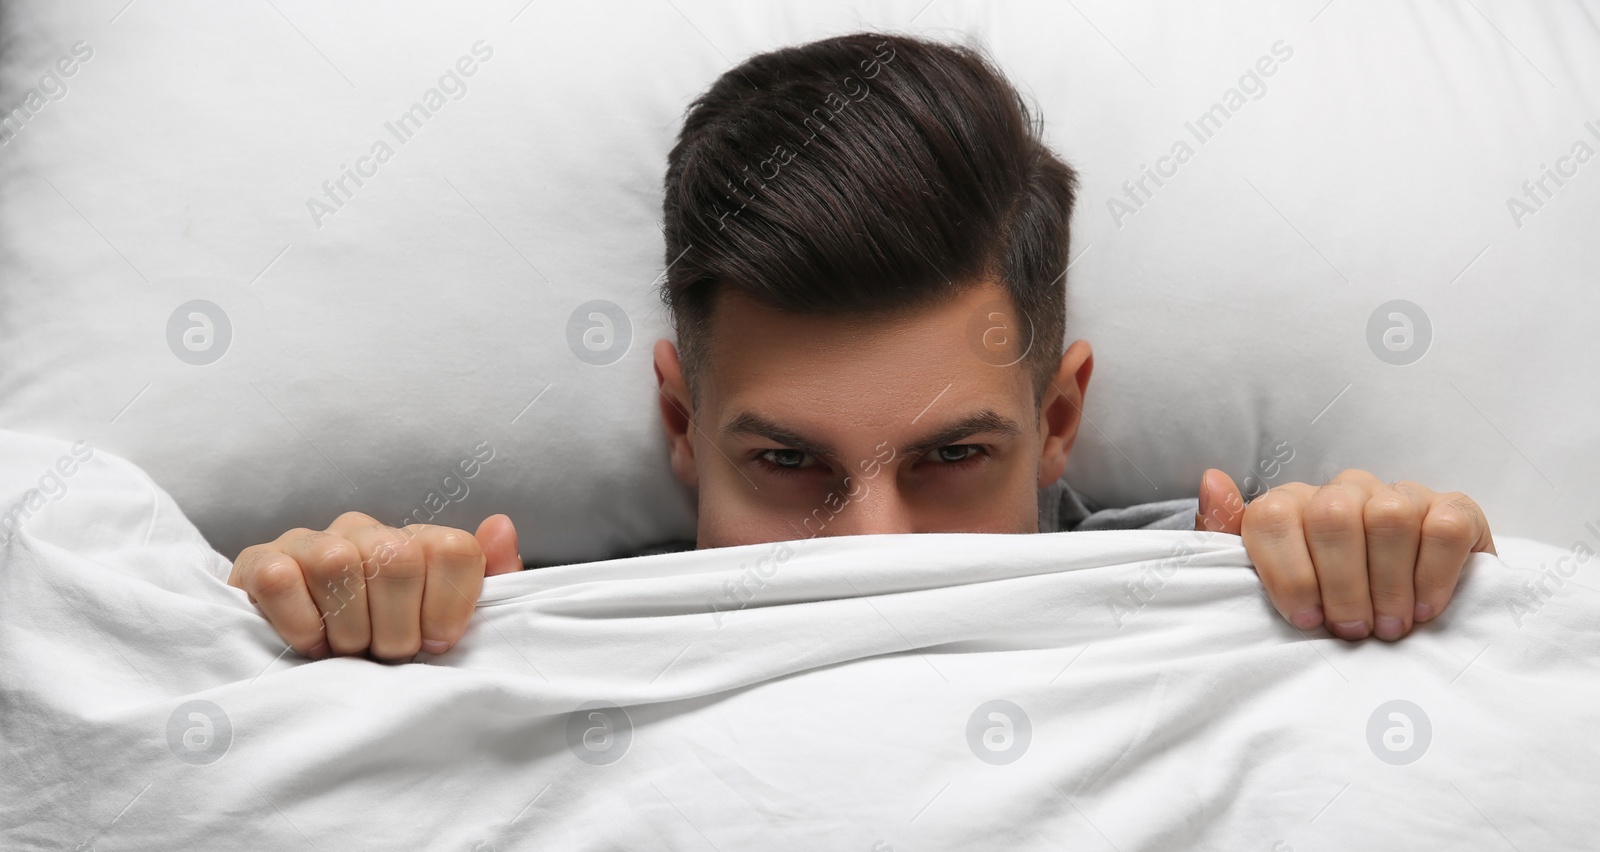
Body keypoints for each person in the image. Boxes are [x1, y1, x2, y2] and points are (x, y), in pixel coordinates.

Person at [227, 33, 1494, 662]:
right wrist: (316, 617)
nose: (875, 556)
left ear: (1058, 423)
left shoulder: (1244, 592)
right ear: (681, 427)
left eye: (952, 455)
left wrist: (1387, 567)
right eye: (787, 464)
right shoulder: (514, 630)